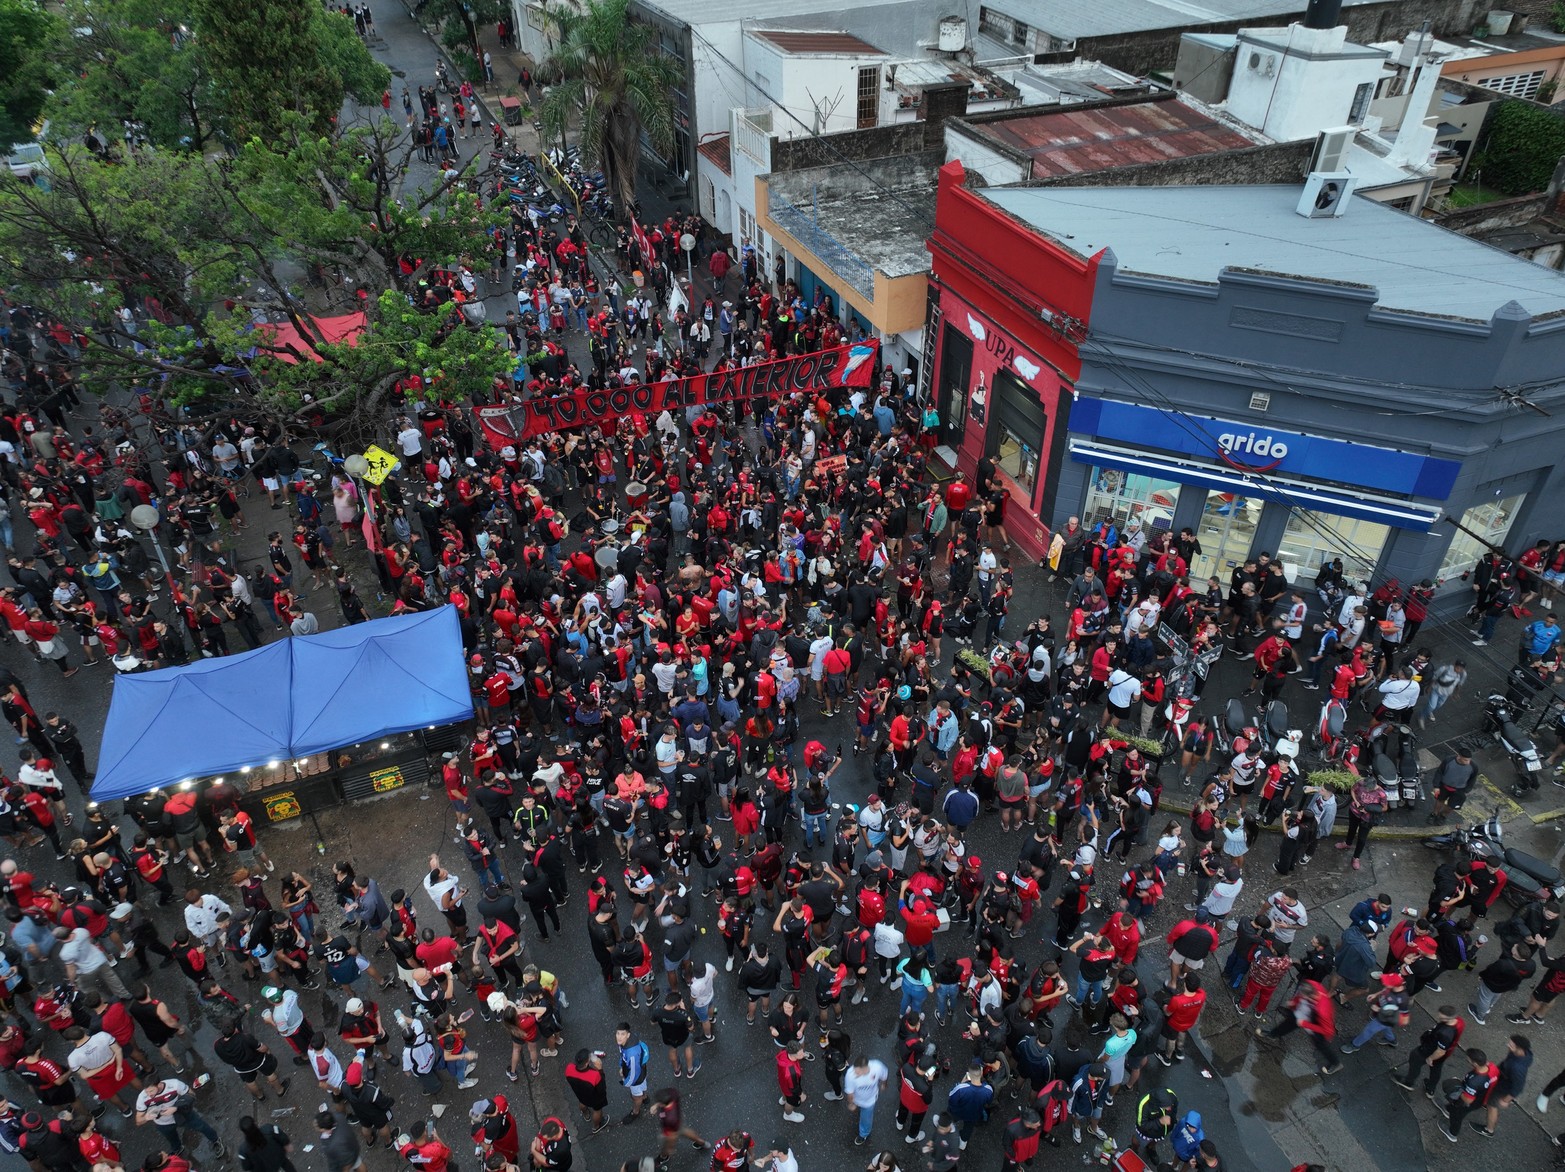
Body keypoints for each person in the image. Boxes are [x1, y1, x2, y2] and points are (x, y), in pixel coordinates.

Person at [135, 1077, 226, 1157]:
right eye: (146, 1092)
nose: (149, 1095)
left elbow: (191, 1095)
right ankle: (177, 1149)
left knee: (201, 1126)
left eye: (151, 1091)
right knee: (171, 1138)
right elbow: (138, 1121)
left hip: (183, 1115)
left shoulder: (174, 1084)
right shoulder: (143, 1097)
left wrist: (175, 1107)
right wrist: (146, 1118)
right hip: (163, 1123)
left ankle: (215, 1140)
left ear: (159, 1084)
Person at [843, 1054, 889, 1146]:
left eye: (858, 1072)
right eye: (855, 1071)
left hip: (869, 1100)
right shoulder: (850, 1074)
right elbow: (850, 1093)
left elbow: (884, 1076)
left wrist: (884, 1084)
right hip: (857, 1099)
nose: (856, 1074)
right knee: (862, 1115)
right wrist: (851, 1103)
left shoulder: (877, 1067)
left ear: (865, 1068)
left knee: (866, 1119)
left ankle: (864, 1134)